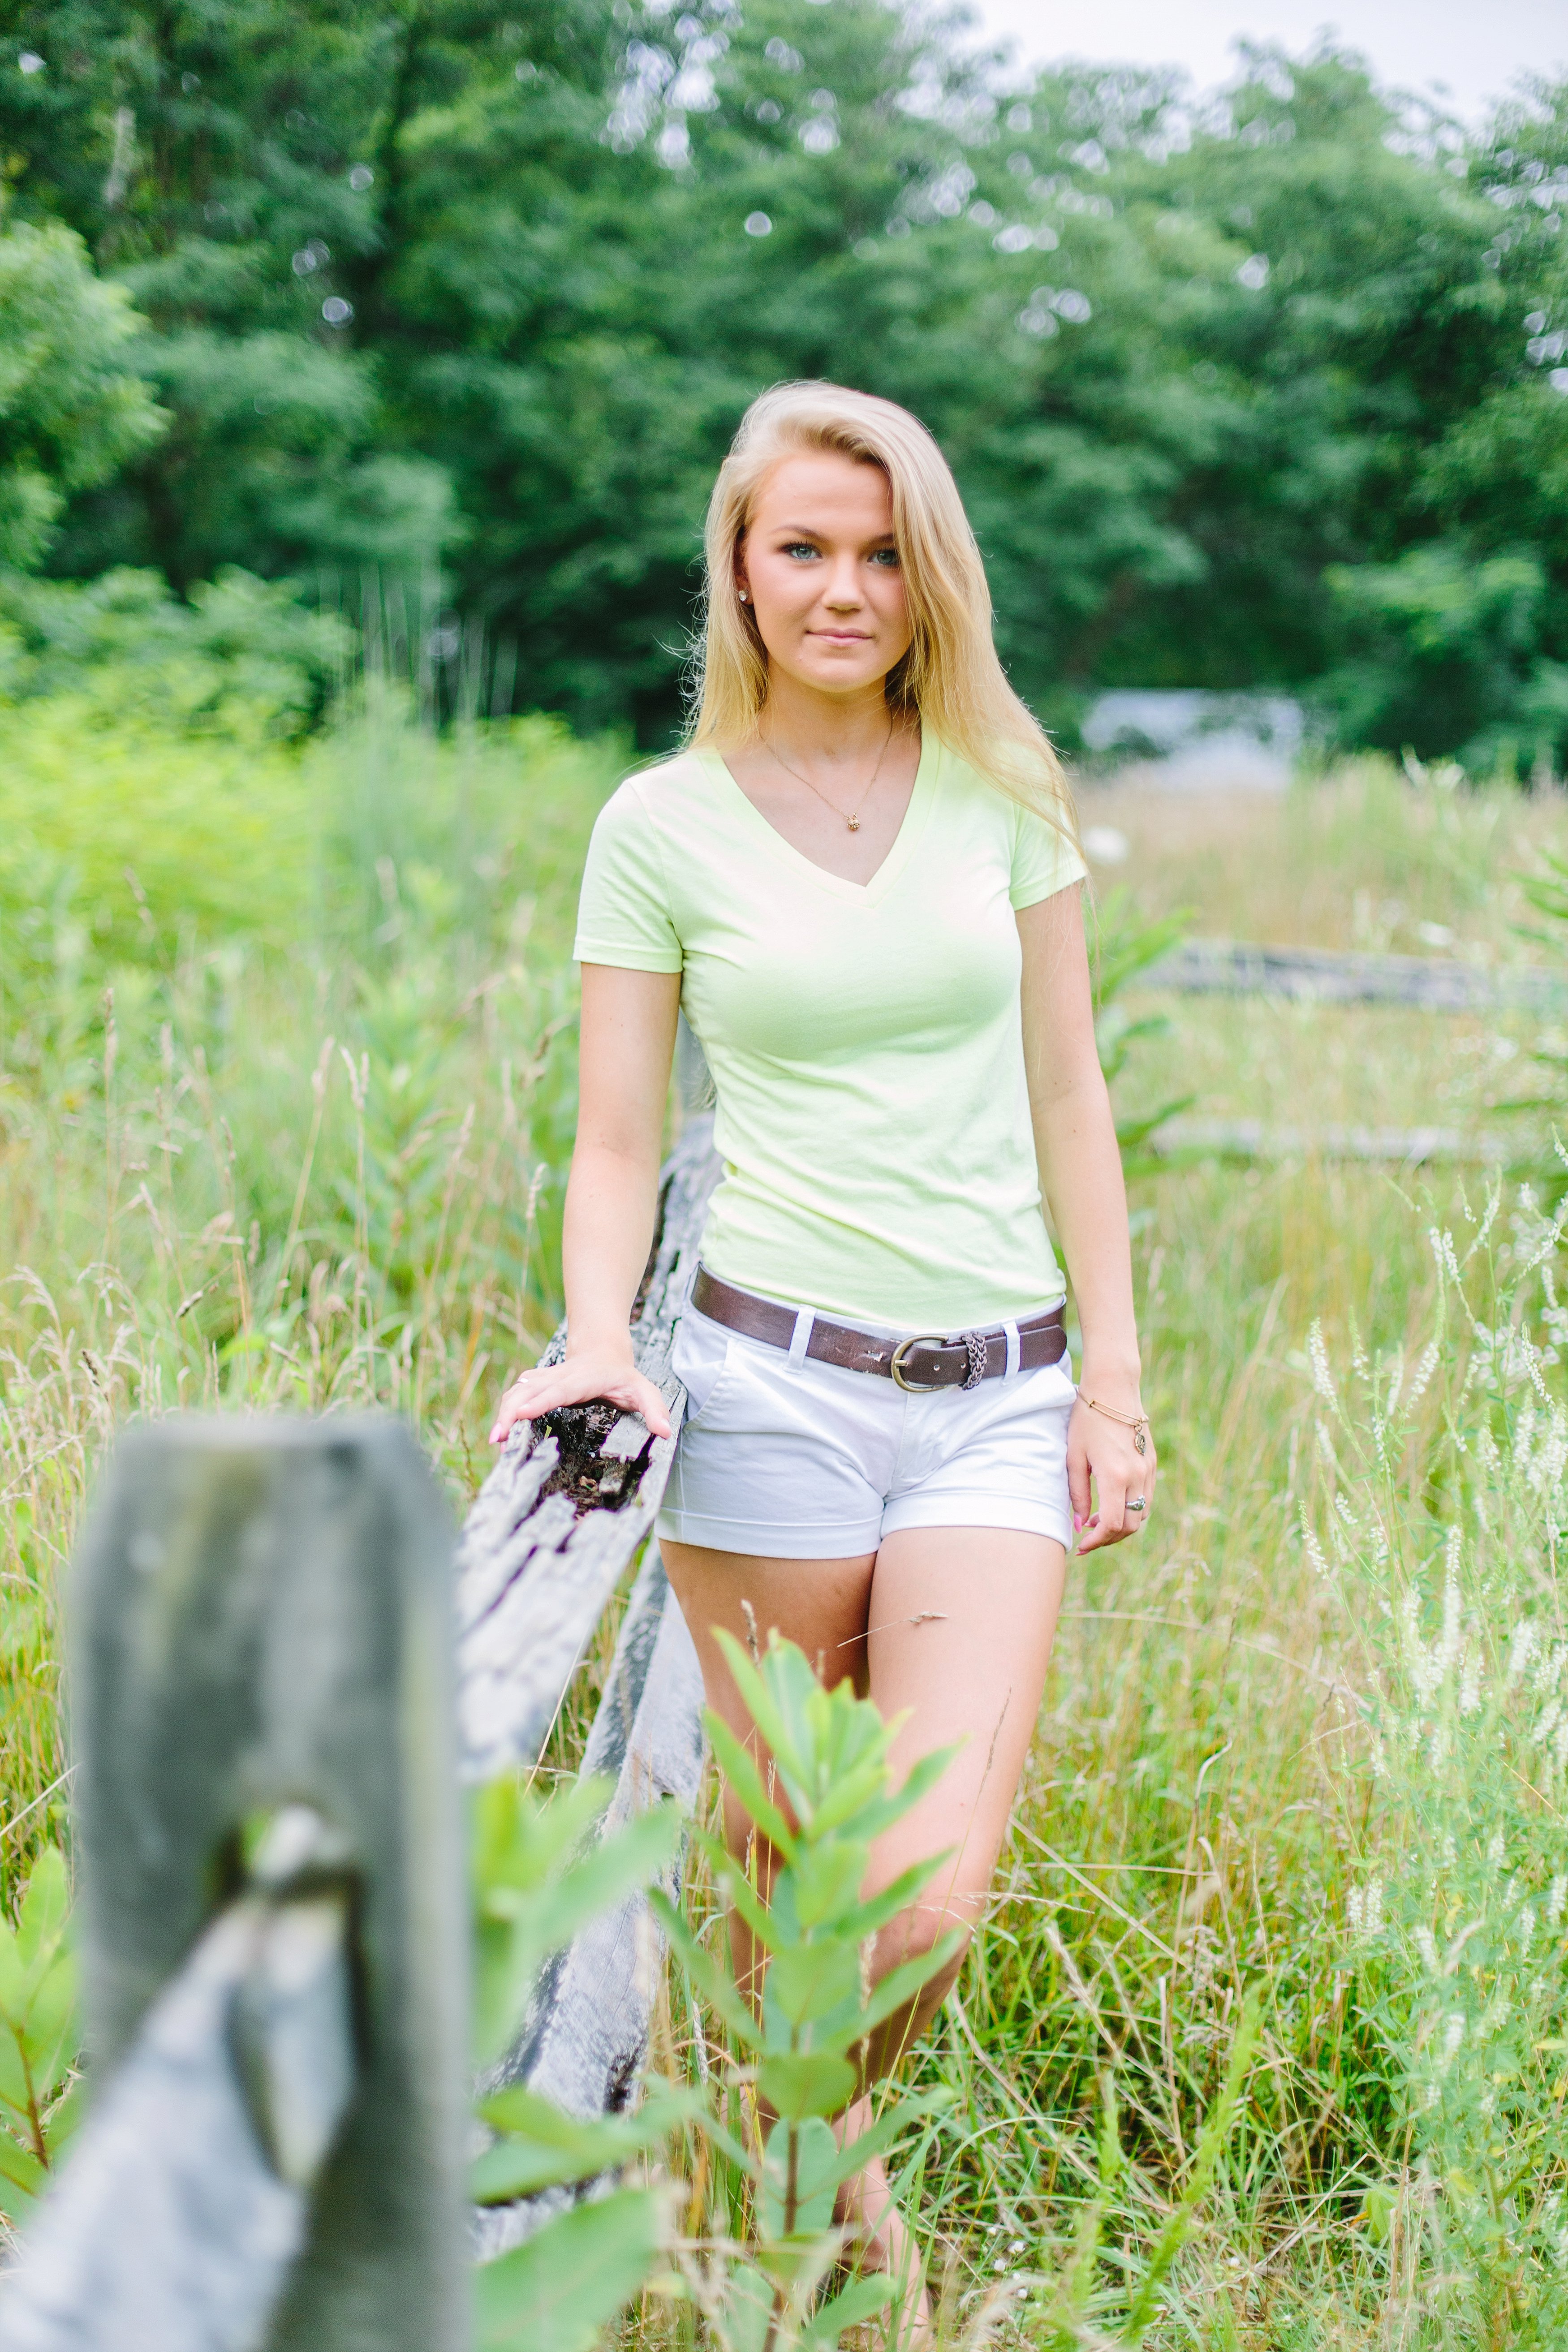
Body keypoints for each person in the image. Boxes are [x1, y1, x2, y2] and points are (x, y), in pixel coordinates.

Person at [490, 380, 1154, 2337]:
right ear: (740, 567)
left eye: (880, 551)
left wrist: (1110, 1379)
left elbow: (1069, 1091)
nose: (843, 586)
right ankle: (791, 2261)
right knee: (791, 1904)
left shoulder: (1001, 789)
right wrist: (599, 1342)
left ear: (923, 569)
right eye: (803, 547)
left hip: (998, 1398)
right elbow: (616, 1132)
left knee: (919, 1901)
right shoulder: (657, 826)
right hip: (764, 1396)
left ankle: (722, 2204)